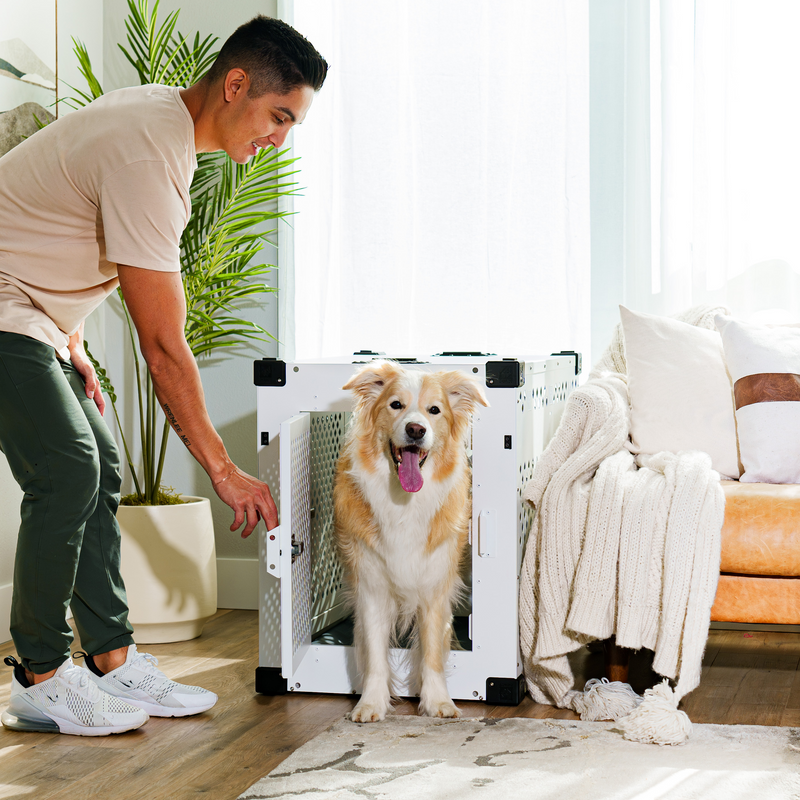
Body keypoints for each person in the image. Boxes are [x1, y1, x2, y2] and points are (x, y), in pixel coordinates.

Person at [0, 15, 328, 736]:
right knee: (66, 467)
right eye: (278, 116)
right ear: (235, 84)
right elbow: (162, 345)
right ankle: (40, 675)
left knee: (99, 464)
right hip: (3, 304)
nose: (279, 139)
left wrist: (70, 334)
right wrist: (223, 468)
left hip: (32, 312)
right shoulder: (150, 151)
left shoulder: (162, 126)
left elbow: (55, 214)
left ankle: (112, 661)